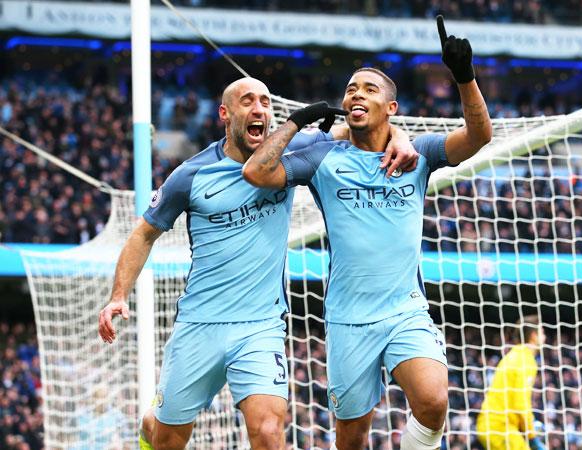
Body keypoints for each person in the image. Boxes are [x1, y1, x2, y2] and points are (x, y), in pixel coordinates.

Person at [97, 77, 418, 450]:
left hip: (260, 327)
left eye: (265, 102)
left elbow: (365, 131)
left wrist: (400, 136)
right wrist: (118, 294)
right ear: (225, 114)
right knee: (165, 438)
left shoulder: (293, 150)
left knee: (267, 432)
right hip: (201, 323)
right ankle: (152, 425)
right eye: (247, 101)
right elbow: (143, 234)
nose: (259, 109)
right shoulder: (191, 175)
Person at [242, 16, 492, 450]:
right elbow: (256, 171)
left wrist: (464, 78)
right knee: (352, 437)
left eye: (369, 89)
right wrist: (297, 121)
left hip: (404, 311)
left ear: (391, 108)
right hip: (347, 319)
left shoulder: (420, 154)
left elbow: (478, 136)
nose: (356, 93)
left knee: (433, 402)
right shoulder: (323, 158)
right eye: (351, 89)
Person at [476, 316, 546, 450]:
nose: (545, 337)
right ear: (533, 335)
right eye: (542, 333)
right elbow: (521, 403)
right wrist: (531, 437)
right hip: (500, 427)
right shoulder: (526, 360)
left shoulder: (514, 355)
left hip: (494, 425)